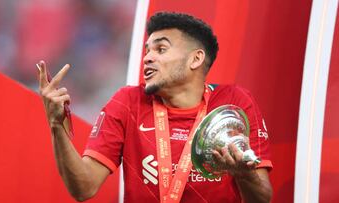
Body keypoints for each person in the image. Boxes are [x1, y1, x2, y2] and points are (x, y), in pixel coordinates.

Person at [37, 12, 272, 203]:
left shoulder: (233, 102)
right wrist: (56, 126)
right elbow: (83, 188)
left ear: (196, 59)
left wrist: (243, 173)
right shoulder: (127, 102)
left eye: (160, 49)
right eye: (147, 50)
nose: (147, 58)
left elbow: (262, 199)